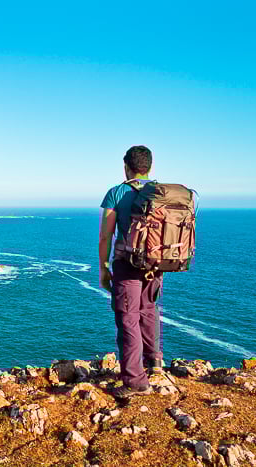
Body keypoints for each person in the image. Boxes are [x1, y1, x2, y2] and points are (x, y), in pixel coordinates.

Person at [99, 145, 163, 399]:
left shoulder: (117, 193)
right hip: (157, 264)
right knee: (148, 310)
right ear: (149, 167)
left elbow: (106, 235)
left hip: (127, 264)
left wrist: (104, 267)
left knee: (128, 318)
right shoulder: (164, 193)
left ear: (126, 166)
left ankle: (135, 382)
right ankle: (154, 363)